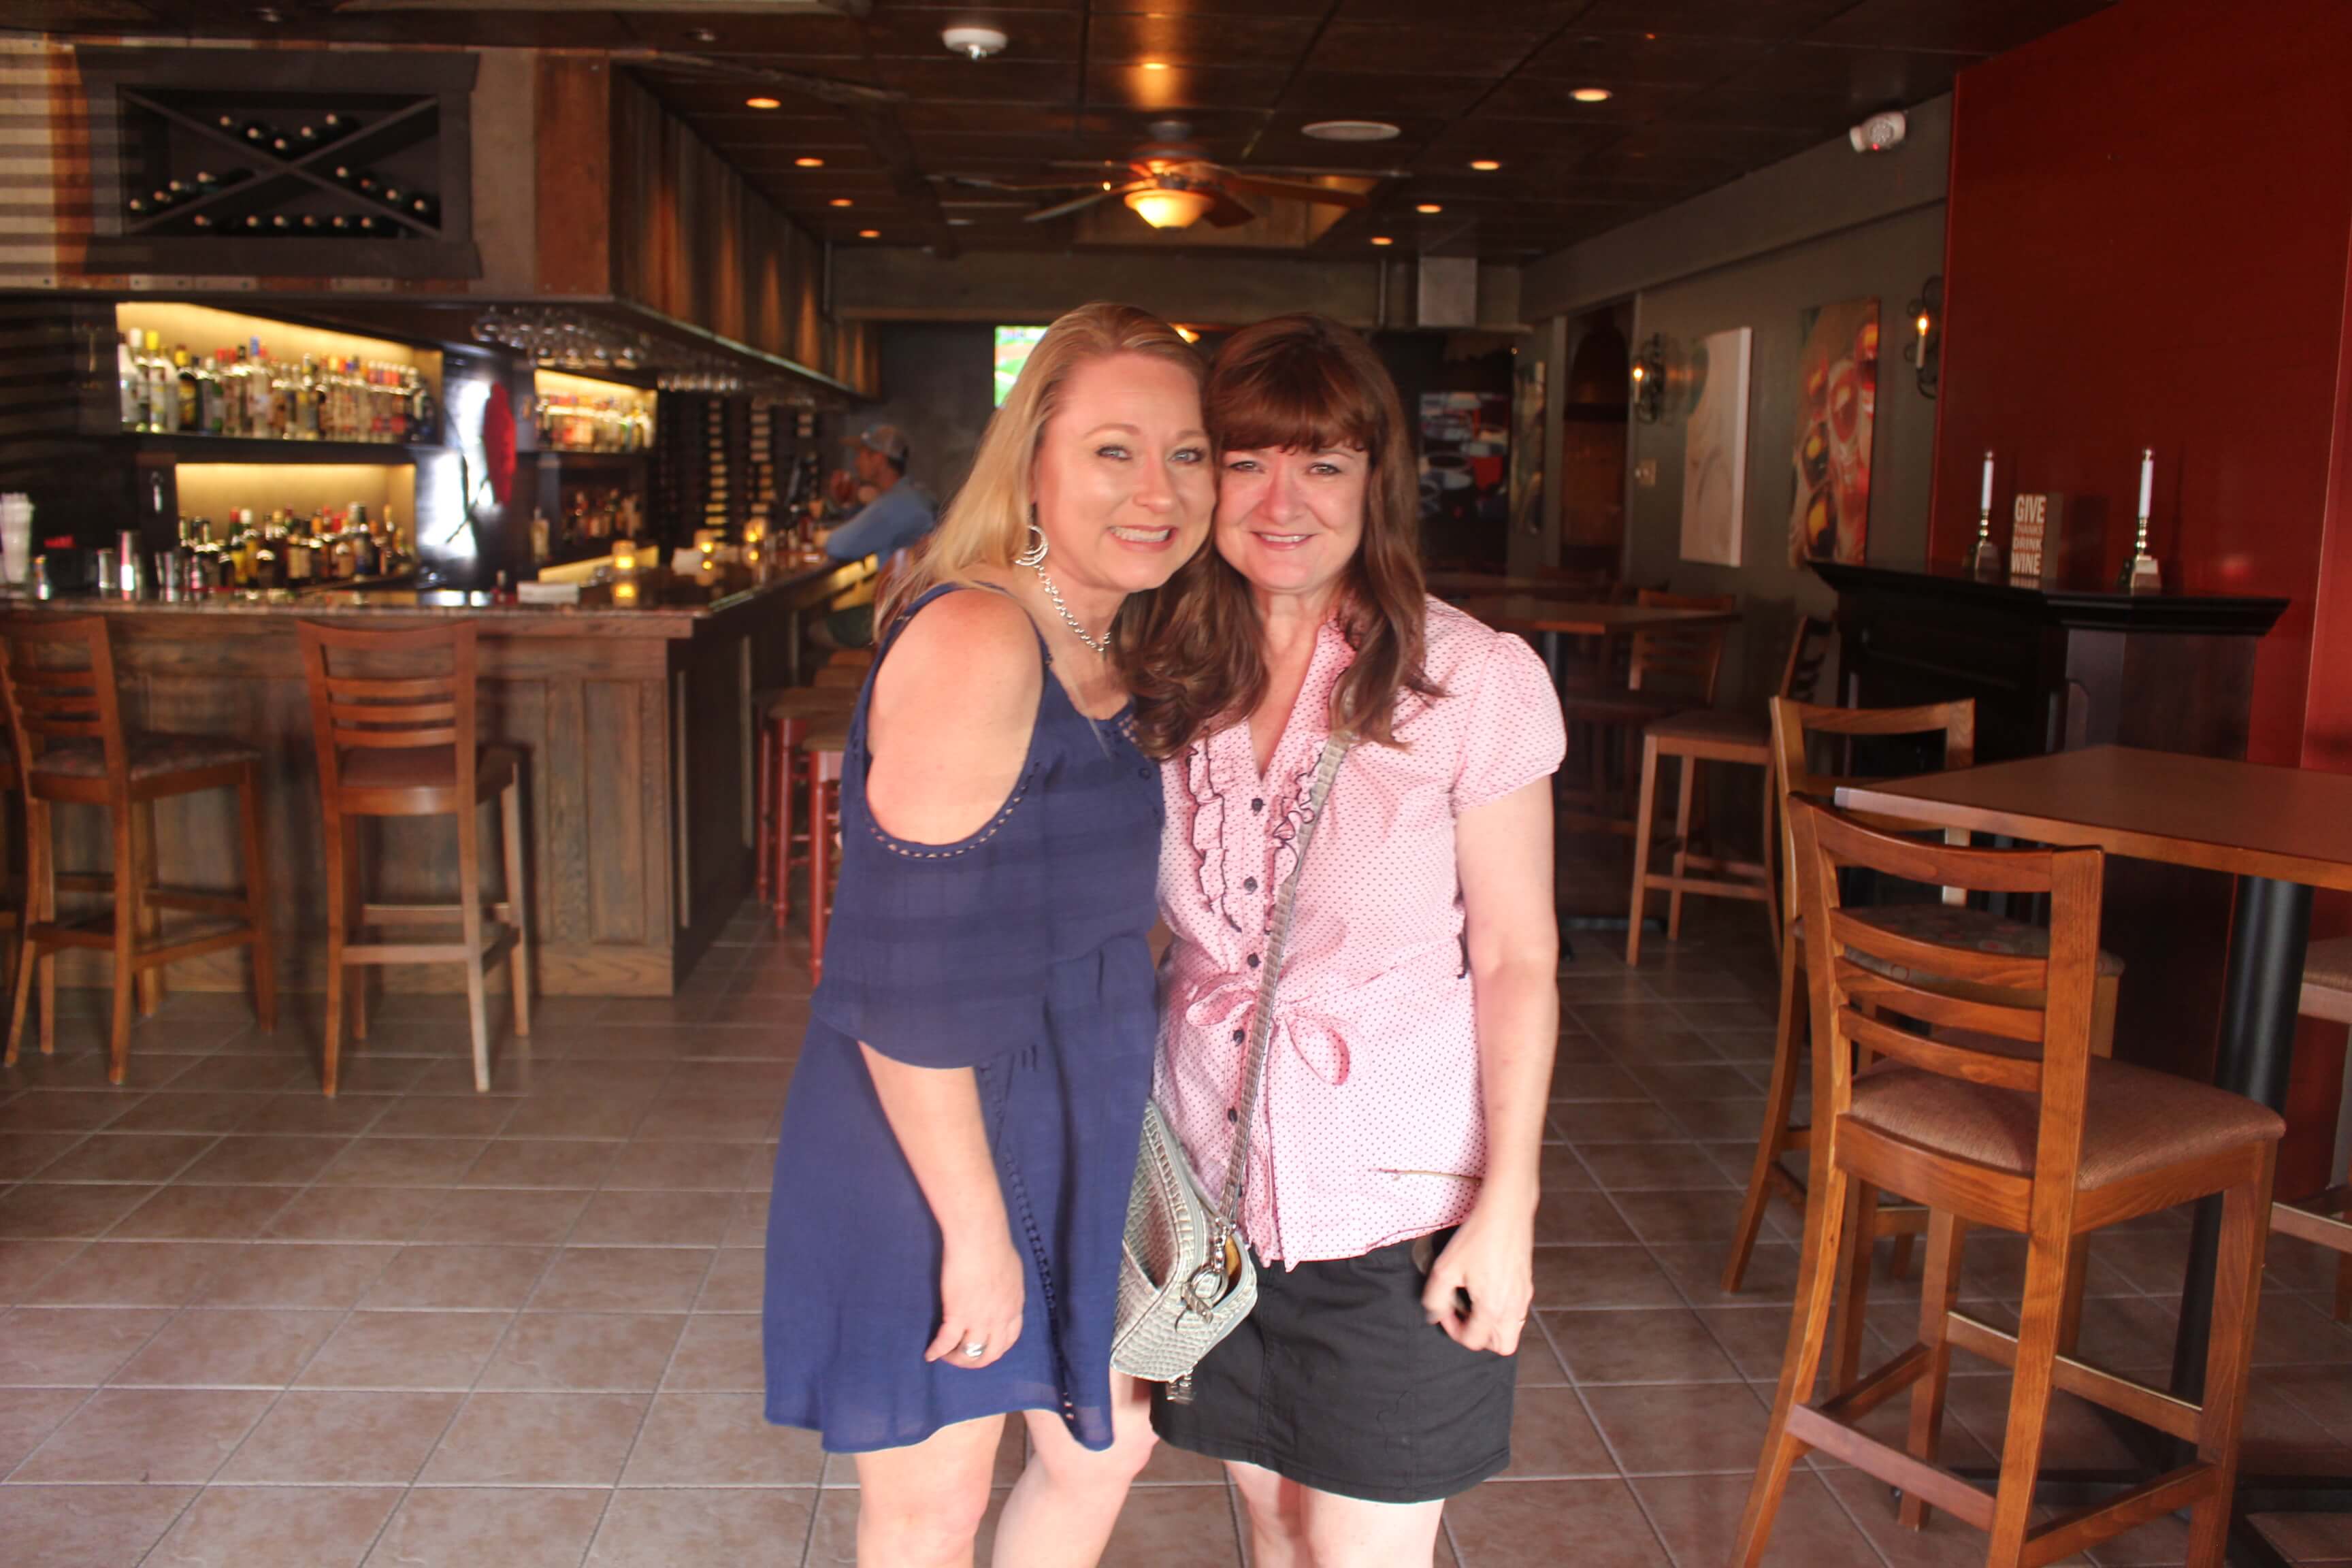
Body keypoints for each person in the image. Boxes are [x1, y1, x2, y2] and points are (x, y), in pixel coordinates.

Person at [763, 301, 1215, 1567]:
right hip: (938, 1129)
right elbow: (901, 988)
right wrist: (973, 1232)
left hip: (1076, 1098)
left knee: (1103, 1444)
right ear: (1033, 463)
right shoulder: (977, 635)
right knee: (930, 1503)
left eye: (1187, 452)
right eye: (1114, 449)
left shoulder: (1105, 634)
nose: (1159, 488)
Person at [1132, 314, 1564, 1567]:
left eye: (1321, 463)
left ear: (1374, 481)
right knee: (1272, 1523)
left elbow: (1518, 957)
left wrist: (1511, 1207)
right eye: (1248, 459)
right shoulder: (1166, 666)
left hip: (1395, 1207)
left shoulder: (1469, 676)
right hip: (1214, 1192)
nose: (1281, 499)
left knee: (1364, 1546)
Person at [816, 423, 939, 649]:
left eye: (861, 455)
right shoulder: (913, 494)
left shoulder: (894, 504)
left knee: (815, 630)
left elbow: (838, 545)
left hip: (898, 617)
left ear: (879, 460)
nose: (855, 463)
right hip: (921, 609)